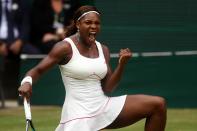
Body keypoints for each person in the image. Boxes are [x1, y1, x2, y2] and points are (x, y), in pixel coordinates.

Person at [18, 5, 167, 131]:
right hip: (77, 114)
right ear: (78, 24)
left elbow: (108, 88)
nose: (93, 27)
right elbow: (37, 70)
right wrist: (27, 82)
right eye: (88, 23)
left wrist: (121, 65)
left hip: (103, 106)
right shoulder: (64, 47)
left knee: (157, 105)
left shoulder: (103, 49)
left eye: (97, 23)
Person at [0, 0, 31, 99]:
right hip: (1, 41)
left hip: (18, 41)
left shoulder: (22, 3)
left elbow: (26, 25)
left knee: (33, 54)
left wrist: (20, 41)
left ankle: (31, 94)